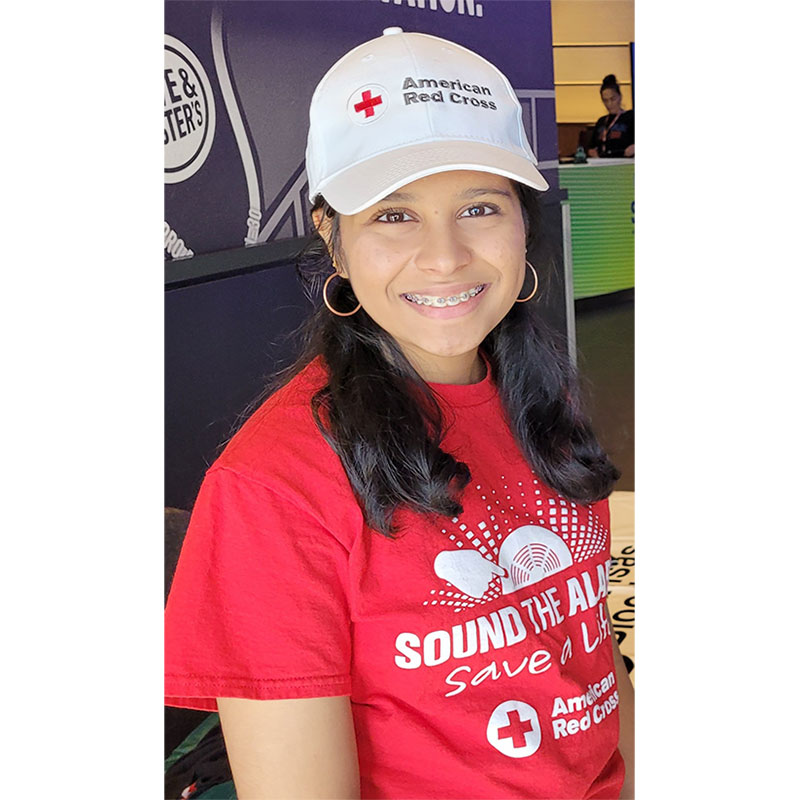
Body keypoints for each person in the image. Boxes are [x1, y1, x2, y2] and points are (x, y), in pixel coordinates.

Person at [165, 27, 635, 800]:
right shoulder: (271, 490)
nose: (445, 256)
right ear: (334, 240)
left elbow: (586, 654)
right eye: (393, 215)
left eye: (480, 205)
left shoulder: (542, 399)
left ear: (524, 223)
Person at [588, 74, 634, 158]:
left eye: (613, 99)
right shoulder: (601, 121)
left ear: (620, 97)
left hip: (625, 162)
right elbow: (591, 147)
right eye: (605, 100)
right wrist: (592, 152)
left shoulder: (631, 117)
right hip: (603, 163)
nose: (609, 104)